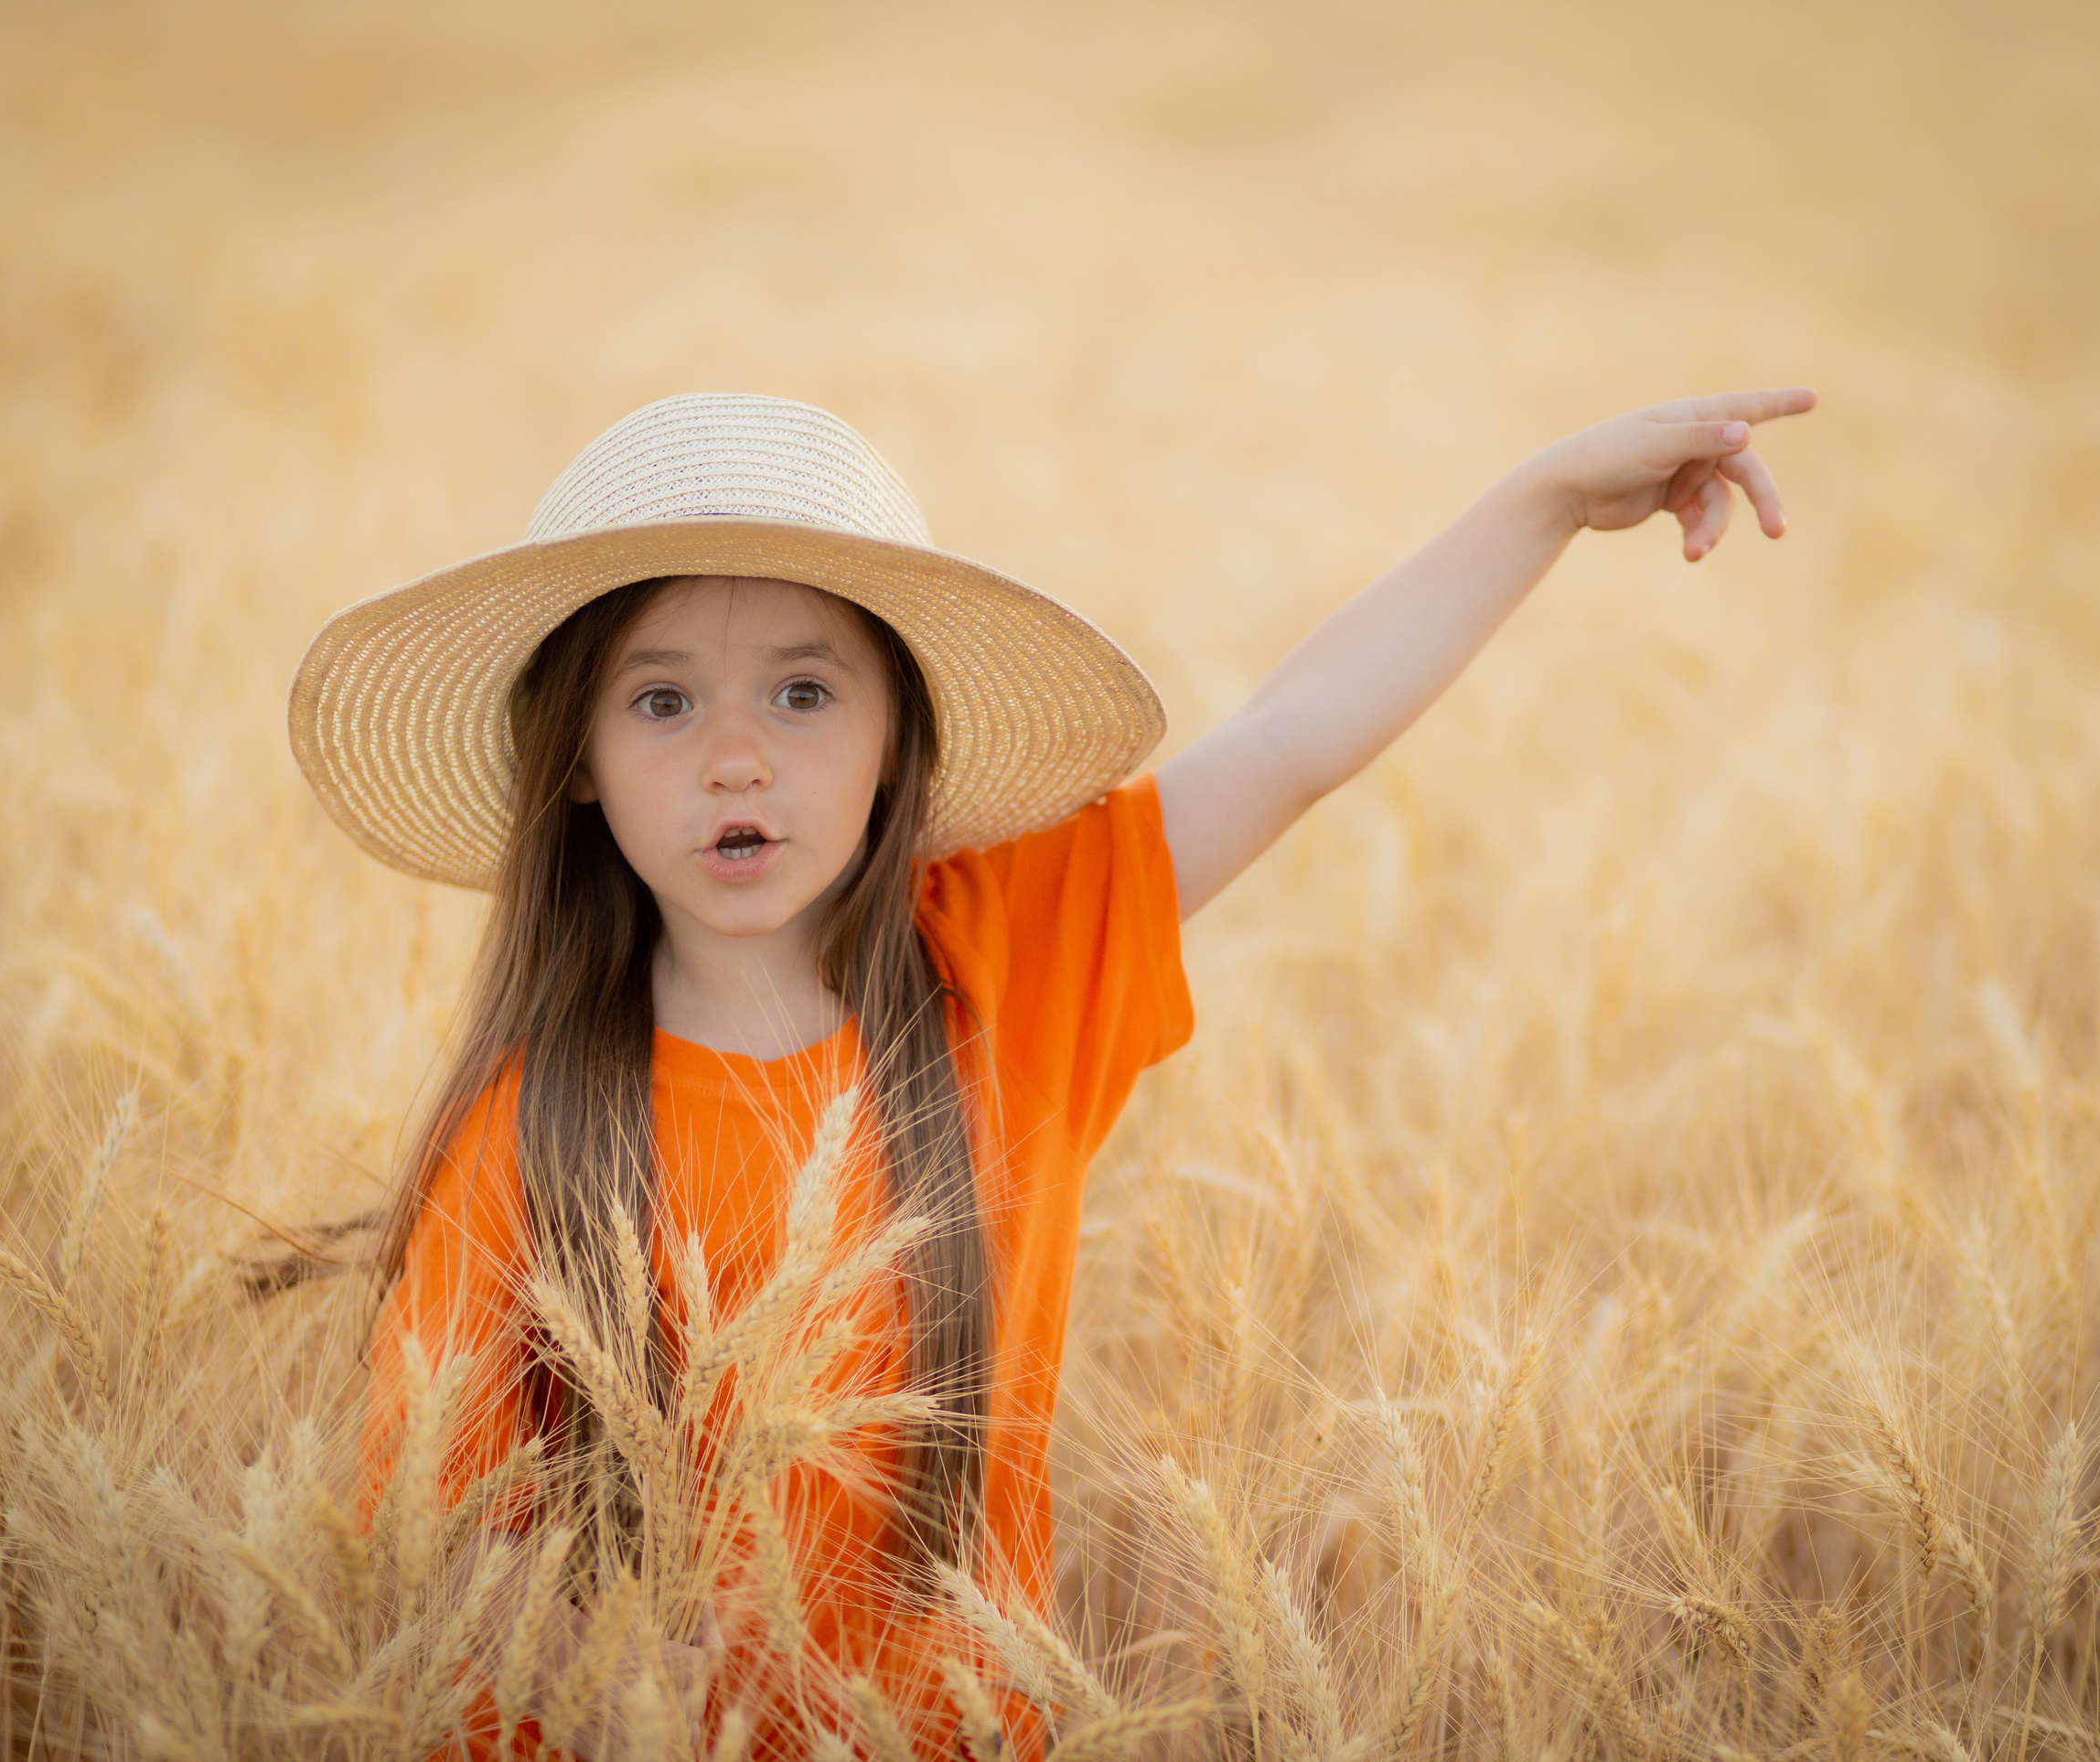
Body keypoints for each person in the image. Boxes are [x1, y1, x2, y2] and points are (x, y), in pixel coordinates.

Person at [292, 384, 1813, 1759]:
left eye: (805, 693)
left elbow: (1292, 738)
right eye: (662, 698)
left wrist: (1541, 498)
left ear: (903, 738)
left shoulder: (1004, 966)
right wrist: (644, 1687)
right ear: (575, 757)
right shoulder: (531, 1127)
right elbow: (445, 1536)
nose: (735, 758)